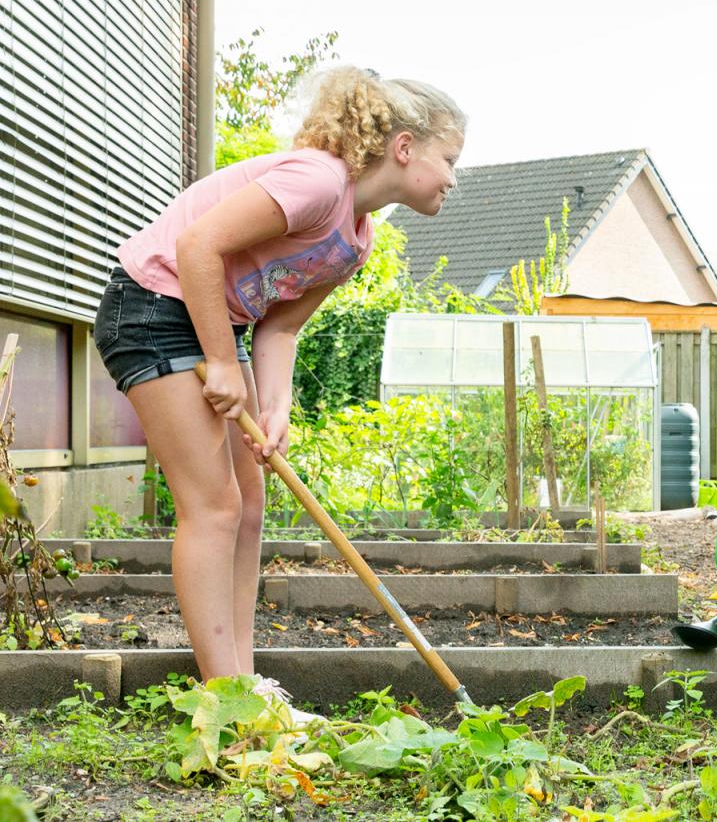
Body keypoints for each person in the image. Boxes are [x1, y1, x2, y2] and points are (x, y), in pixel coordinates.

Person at [95, 66, 465, 686]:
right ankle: (225, 697)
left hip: (214, 320)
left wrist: (276, 408)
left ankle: (243, 682)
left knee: (248, 504)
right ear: (405, 147)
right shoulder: (318, 181)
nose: (454, 178)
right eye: (450, 160)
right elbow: (197, 246)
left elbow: (280, 330)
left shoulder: (357, 240)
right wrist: (221, 362)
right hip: (153, 305)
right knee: (213, 507)